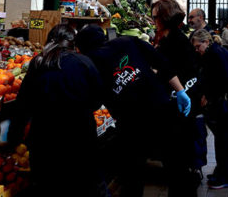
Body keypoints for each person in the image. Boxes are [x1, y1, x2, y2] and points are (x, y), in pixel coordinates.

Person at [75, 24, 191, 197]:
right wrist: (181, 90)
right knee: (176, 167)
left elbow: (94, 101)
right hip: (160, 109)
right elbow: (161, 62)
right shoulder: (128, 41)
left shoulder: (87, 63)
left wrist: (100, 128)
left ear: (81, 47)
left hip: (130, 123)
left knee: (132, 176)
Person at [8, 25, 106, 197]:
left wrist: (13, 139)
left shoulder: (37, 63)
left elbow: (23, 105)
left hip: (45, 145)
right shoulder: (84, 62)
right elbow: (97, 101)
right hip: (80, 142)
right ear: (73, 43)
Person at [152, 0, 204, 195]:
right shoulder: (174, 39)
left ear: (164, 18)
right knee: (178, 164)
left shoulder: (173, 41)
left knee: (177, 165)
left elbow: (169, 71)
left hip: (178, 114)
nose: (153, 21)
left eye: (155, 17)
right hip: (180, 110)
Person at [191, 30, 228, 190]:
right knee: (223, 139)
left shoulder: (215, 54)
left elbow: (223, 79)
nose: (197, 50)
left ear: (206, 42)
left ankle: (227, 177)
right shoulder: (214, 51)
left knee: (227, 139)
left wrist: (207, 95)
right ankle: (221, 172)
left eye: (198, 46)